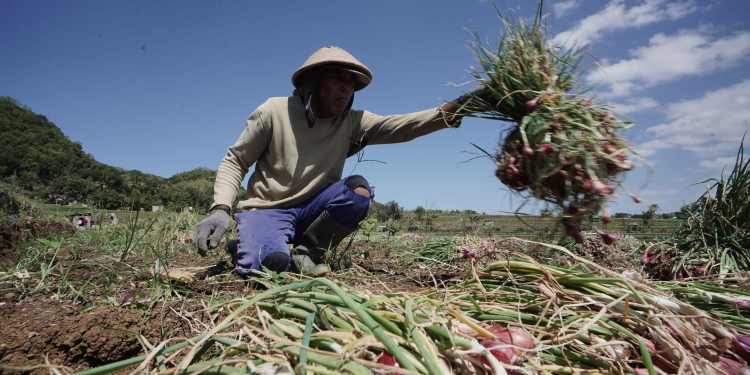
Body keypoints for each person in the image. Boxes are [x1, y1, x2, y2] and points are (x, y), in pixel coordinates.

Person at [194, 46, 470, 277]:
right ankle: (252, 242)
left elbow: (401, 126)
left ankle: (308, 250)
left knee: (358, 192)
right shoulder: (273, 112)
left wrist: (456, 109)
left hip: (314, 210)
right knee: (268, 266)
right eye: (338, 79)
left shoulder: (351, 122)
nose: (346, 89)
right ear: (313, 82)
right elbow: (236, 160)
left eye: (351, 84)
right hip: (268, 210)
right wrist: (220, 208)